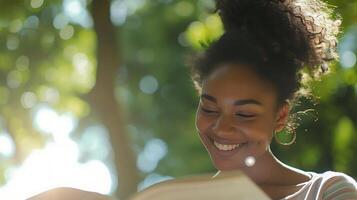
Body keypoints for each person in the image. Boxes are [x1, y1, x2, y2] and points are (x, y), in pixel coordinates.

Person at [191, 0, 357, 199]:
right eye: (209, 108)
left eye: (244, 114)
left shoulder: (327, 191)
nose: (222, 128)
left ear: (280, 116)